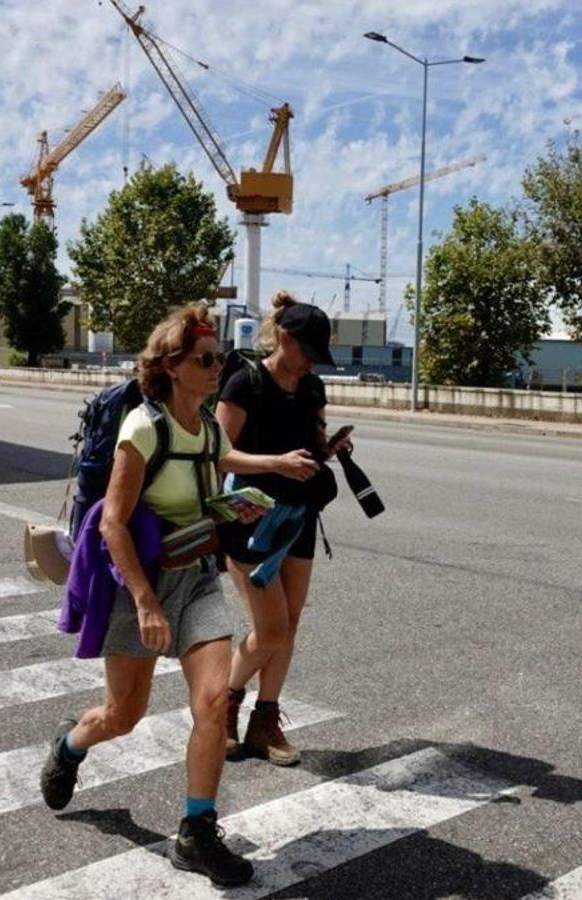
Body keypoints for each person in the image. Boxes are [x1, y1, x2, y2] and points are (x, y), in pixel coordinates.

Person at [37, 303, 315, 887]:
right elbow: (113, 523)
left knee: (213, 703)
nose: (219, 367)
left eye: (219, 358)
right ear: (171, 366)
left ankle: (195, 833)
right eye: (206, 359)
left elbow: (222, 456)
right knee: (123, 715)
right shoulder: (143, 427)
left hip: (195, 577)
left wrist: (275, 469)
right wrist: (143, 601)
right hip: (137, 580)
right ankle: (70, 744)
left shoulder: (207, 423)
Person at [216, 292, 350, 767]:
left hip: (298, 515)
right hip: (248, 514)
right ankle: (223, 705)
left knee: (288, 627)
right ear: (285, 338)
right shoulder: (244, 382)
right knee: (269, 629)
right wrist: (276, 463)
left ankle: (263, 723)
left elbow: (309, 447)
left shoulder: (312, 388)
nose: (313, 362)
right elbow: (218, 453)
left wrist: (328, 449)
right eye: (308, 351)